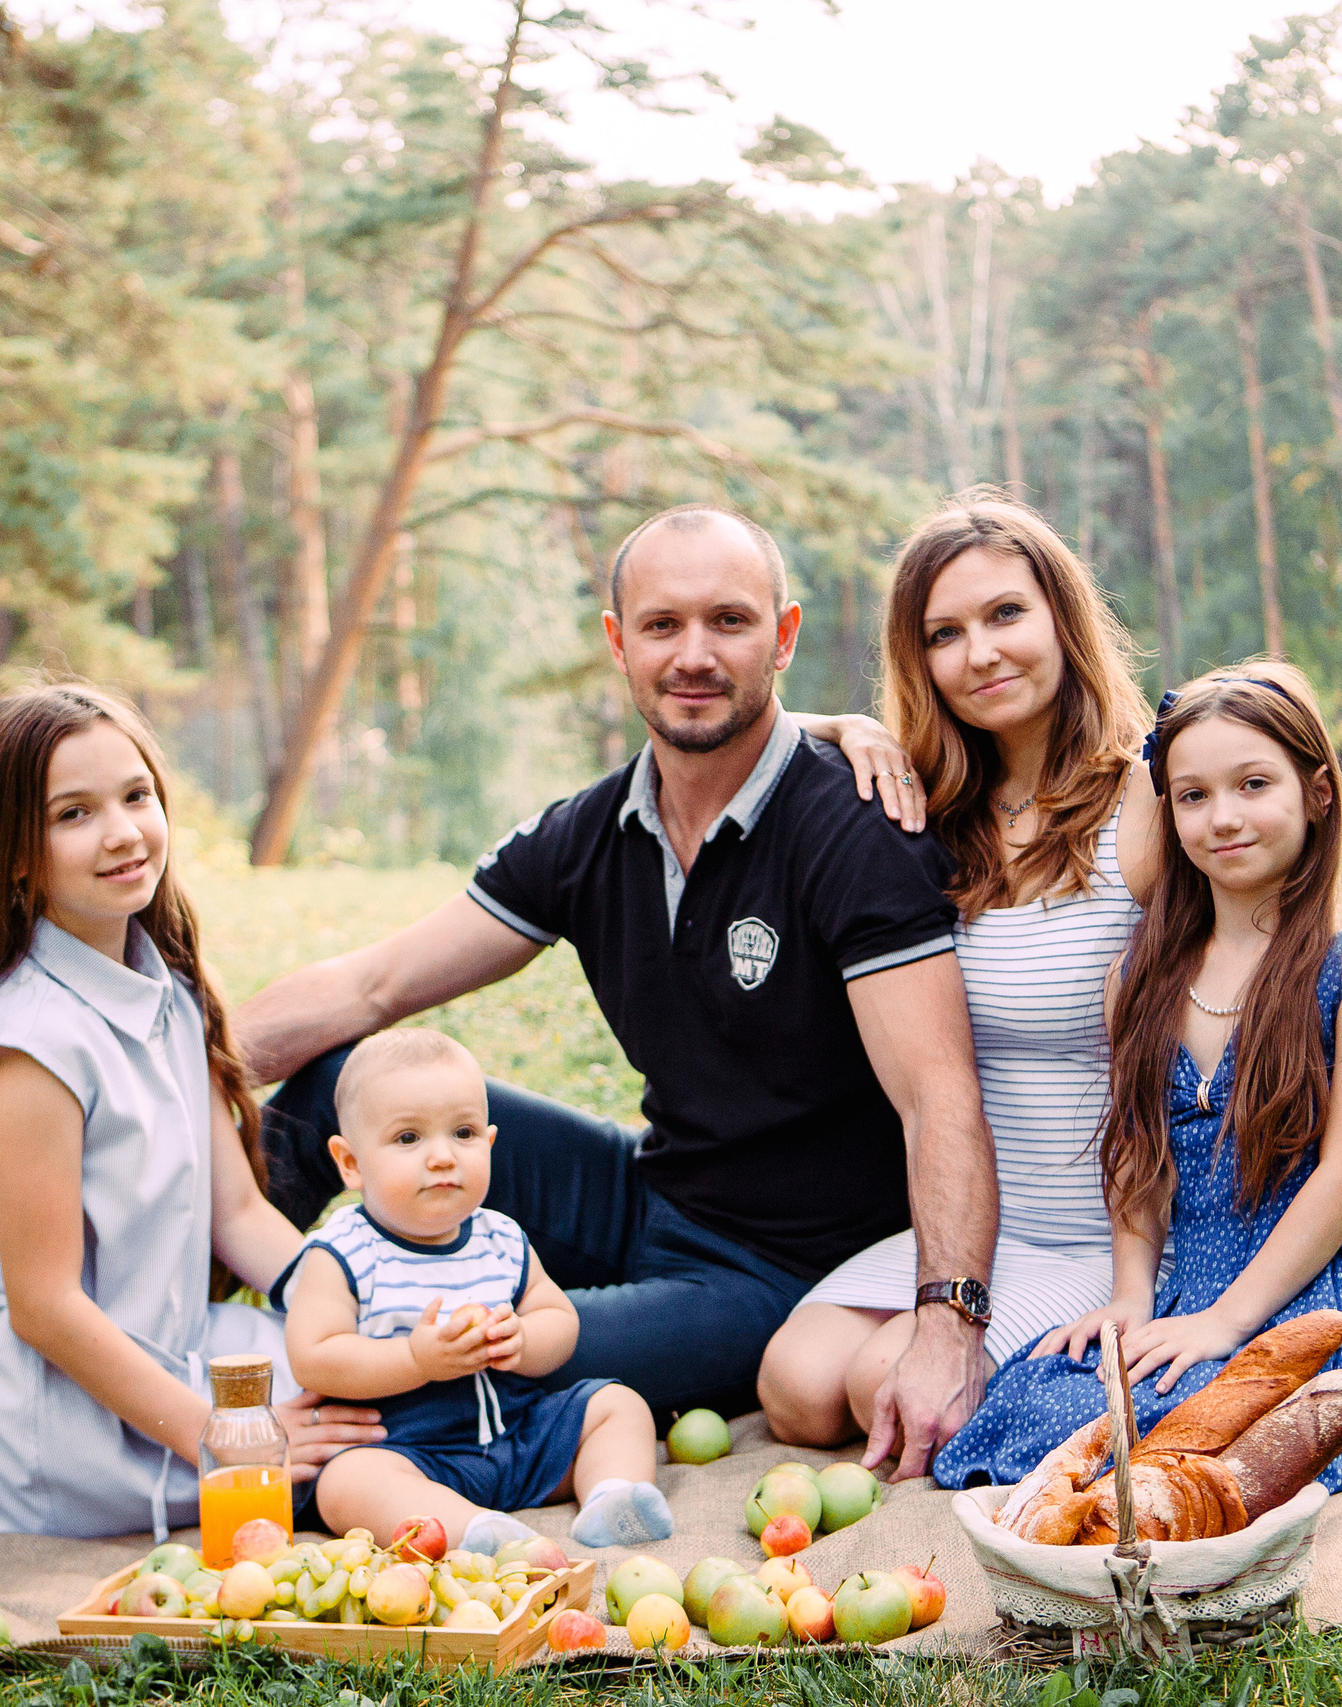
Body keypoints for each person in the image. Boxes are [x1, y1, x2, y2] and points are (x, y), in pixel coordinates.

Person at [236, 504, 998, 1480]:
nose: (694, 654)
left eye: (728, 621)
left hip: (776, 1269)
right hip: (647, 1190)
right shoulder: (587, 834)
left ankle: (296, 1431)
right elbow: (372, 984)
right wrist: (154, 1086)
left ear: (784, 635)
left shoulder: (853, 824)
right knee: (326, 1090)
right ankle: (176, 1351)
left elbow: (940, 1098)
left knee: (471, 1355)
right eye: (661, 625)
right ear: (617, 642)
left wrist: (949, 1321)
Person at [766, 490, 1342, 1454]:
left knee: (881, 1390)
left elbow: (1280, 978)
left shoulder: (1153, 798)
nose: (981, 652)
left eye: (1005, 614)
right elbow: (759, 739)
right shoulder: (922, 805)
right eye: (945, 633)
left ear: (1063, 620)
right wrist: (839, 727)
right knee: (793, 1386)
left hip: (1107, 1225)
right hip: (978, 1219)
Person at [932, 662, 1342, 1492]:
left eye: (1253, 784)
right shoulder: (1139, 977)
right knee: (1047, 1400)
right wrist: (1132, 1296)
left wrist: (1226, 1322)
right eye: (1194, 795)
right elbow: (1136, 1156)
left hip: (1301, 1300)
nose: (1224, 817)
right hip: (1181, 1292)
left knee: (1202, 1434)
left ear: (1318, 793)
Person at [0, 684, 385, 1539]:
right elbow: (46, 1307)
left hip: (177, 1350)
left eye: (135, 795)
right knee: (373, 1459)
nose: (124, 831)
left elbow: (238, 1211)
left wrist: (359, 1308)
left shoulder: (160, 986)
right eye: (74, 813)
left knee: (390, 1388)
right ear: (15, 854)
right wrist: (227, 1439)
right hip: (67, 1428)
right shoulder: (31, 1045)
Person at [278, 1029, 674, 1553]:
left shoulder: (500, 1237)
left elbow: (557, 1315)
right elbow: (313, 1356)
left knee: (616, 1405)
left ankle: (613, 1496)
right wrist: (415, 1360)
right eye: (408, 1138)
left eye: (462, 1133)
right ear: (350, 1163)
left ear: (489, 1144)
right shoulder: (343, 1253)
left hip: (515, 1437)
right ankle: (469, 1533)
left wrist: (524, 1339)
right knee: (347, 1484)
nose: (442, 1156)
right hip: (408, 1452)